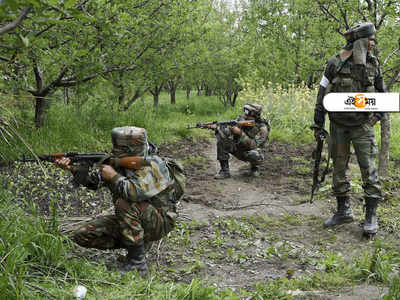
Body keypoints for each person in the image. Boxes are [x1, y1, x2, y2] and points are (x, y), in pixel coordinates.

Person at [55, 126, 181, 276]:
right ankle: (136, 244)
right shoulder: (118, 163)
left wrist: (113, 176)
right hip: (138, 220)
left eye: (118, 148)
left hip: (160, 222)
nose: (114, 151)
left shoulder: (154, 165)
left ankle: (137, 263)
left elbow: (133, 193)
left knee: (124, 203)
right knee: (82, 234)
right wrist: (72, 169)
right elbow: (94, 183)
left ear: (128, 148)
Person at [311, 22, 387, 235]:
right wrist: (318, 122)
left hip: (362, 126)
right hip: (338, 127)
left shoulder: (373, 64)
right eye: (370, 40)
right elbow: (322, 93)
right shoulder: (334, 63)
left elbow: (382, 94)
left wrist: (377, 116)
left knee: (369, 169)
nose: (373, 44)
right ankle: (343, 210)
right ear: (361, 41)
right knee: (339, 168)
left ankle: (370, 216)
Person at [209, 103, 270, 179]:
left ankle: (254, 168)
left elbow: (254, 145)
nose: (245, 115)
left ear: (255, 115)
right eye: (245, 112)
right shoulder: (241, 120)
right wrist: (218, 129)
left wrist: (240, 133)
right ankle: (225, 171)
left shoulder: (262, 128)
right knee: (222, 139)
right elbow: (228, 132)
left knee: (254, 154)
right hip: (239, 148)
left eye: (248, 113)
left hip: (252, 153)